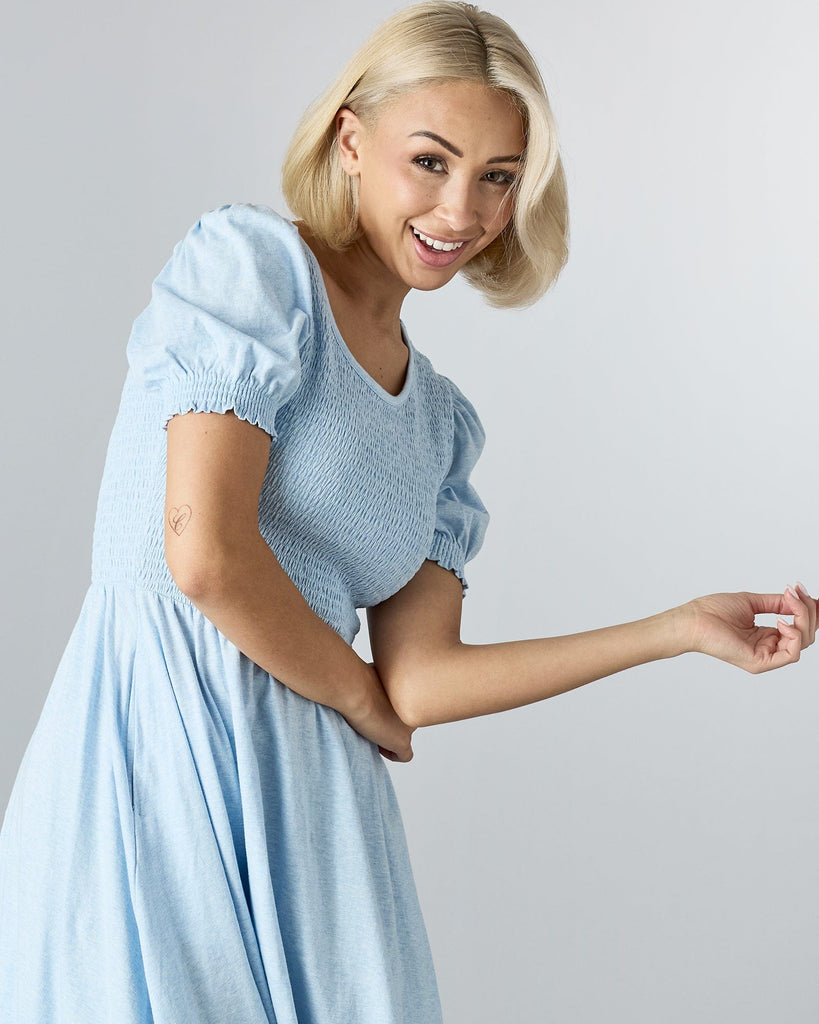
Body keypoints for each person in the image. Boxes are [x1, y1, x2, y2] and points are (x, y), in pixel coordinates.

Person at [0, 2, 815, 1022]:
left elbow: (419, 680)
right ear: (351, 138)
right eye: (429, 160)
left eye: (498, 176)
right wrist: (357, 690)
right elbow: (200, 550)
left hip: (318, 816)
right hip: (158, 761)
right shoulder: (252, 274)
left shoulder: (438, 429)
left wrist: (678, 630)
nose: (461, 208)